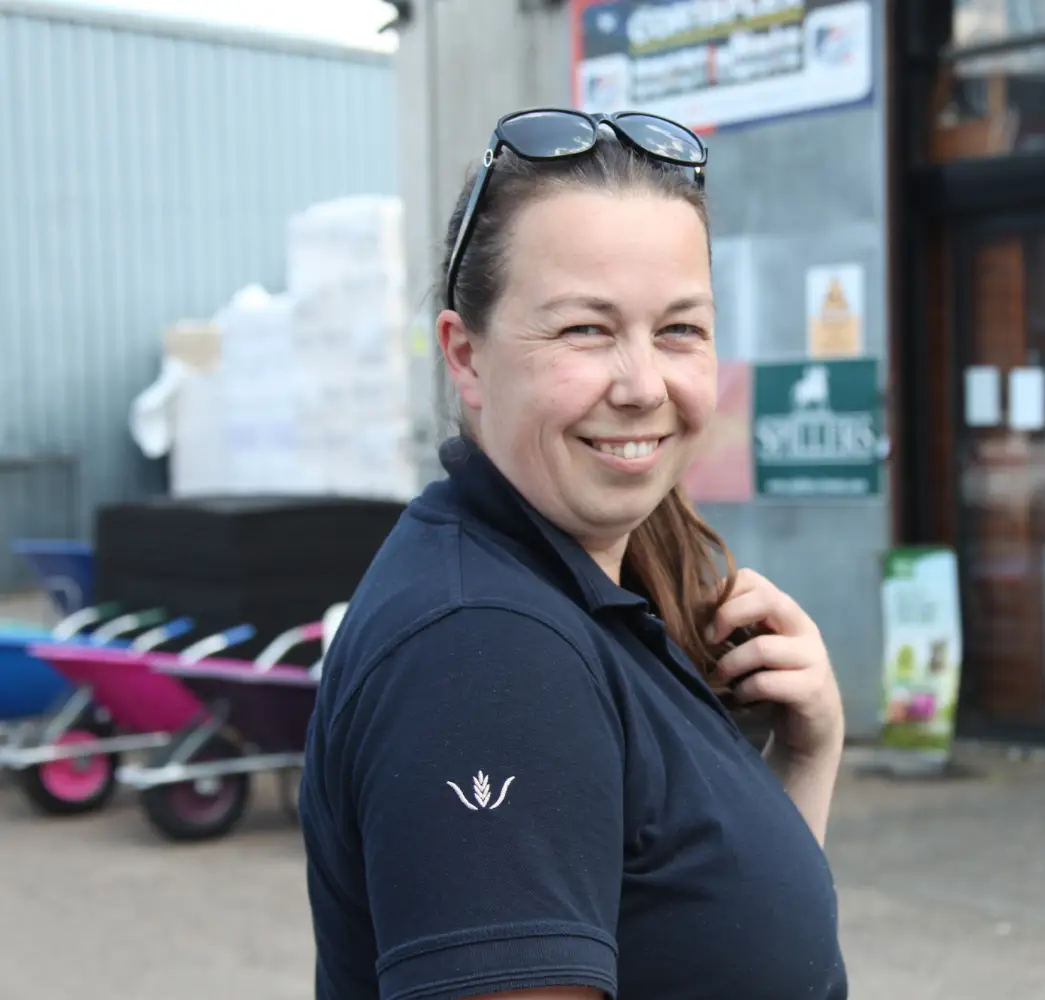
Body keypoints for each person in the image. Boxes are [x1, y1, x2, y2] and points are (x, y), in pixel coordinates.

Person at [298, 108, 849, 1000]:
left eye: (679, 330)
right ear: (465, 356)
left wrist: (804, 756)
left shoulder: (584, 593)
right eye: (585, 330)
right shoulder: (485, 651)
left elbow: (714, 944)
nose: (641, 386)